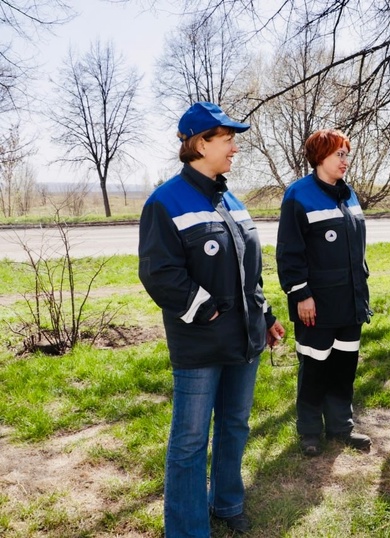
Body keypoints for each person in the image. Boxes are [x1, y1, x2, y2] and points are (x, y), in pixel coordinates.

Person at [138, 101, 285, 536]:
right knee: (189, 442)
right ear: (201, 143)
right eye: (228, 139)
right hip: (200, 344)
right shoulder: (165, 202)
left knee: (236, 426)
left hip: (245, 340)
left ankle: (227, 502)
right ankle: (186, 528)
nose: (235, 148)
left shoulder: (231, 199)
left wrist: (267, 315)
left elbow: (248, 270)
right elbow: (159, 273)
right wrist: (204, 309)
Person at [276, 129, 373, 457]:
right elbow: (289, 252)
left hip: (350, 301)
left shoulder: (350, 195)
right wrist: (301, 294)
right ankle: (309, 431)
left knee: (345, 365)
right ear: (320, 157)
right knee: (315, 367)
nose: (345, 160)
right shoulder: (298, 195)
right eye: (339, 155)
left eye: (347, 154)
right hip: (315, 305)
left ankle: (340, 427)